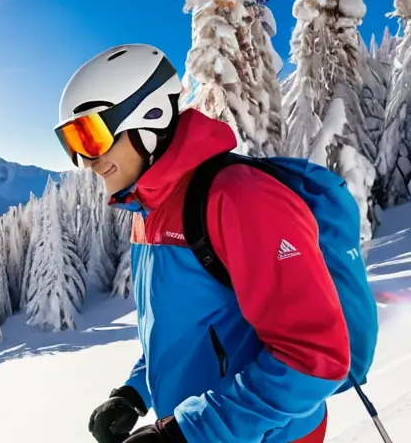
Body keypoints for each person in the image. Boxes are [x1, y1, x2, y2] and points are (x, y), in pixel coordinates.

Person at [54, 44, 350, 442]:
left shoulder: (240, 198)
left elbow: (314, 356)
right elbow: (183, 331)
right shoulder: (148, 213)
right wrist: (134, 393)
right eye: (70, 142)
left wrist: (187, 432)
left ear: (149, 116)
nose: (85, 161)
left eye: (89, 136)